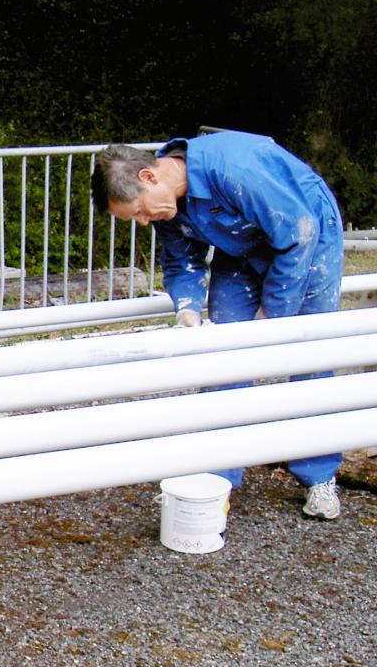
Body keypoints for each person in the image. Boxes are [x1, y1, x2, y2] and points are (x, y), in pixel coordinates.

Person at [92, 133, 345, 520]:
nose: (144, 221)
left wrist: (272, 313)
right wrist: (188, 310)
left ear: (148, 177)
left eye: (139, 211)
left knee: (309, 351)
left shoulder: (234, 169)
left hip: (308, 236)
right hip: (242, 247)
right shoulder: (169, 206)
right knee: (223, 355)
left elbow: (298, 235)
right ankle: (216, 477)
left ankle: (319, 475)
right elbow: (182, 264)